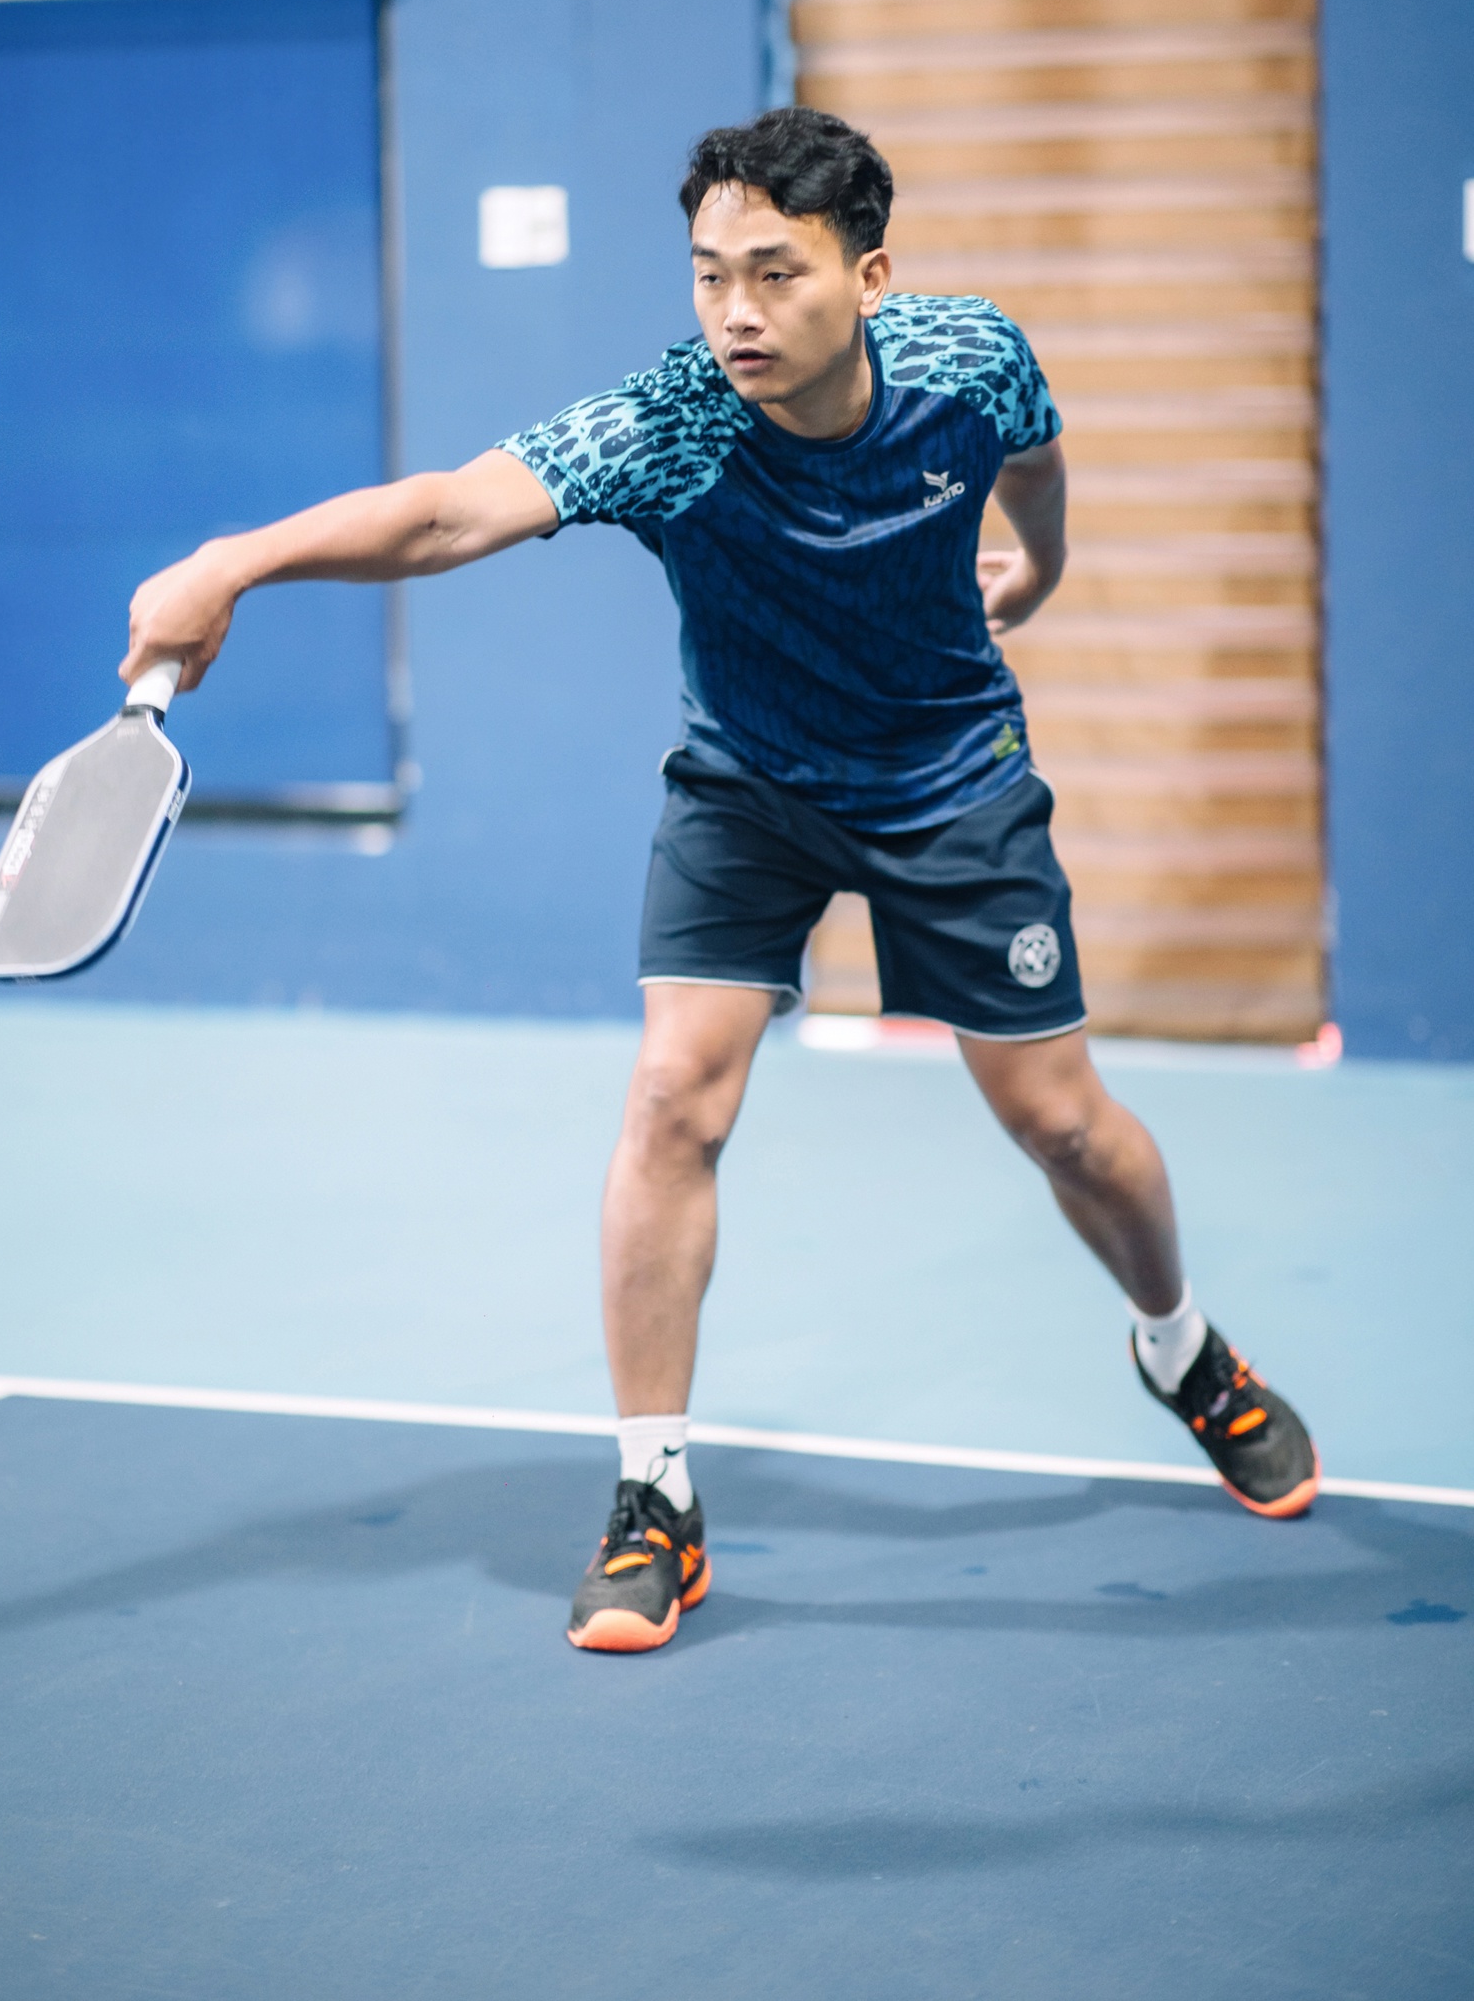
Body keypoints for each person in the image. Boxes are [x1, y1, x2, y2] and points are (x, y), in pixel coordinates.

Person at [123, 107, 1319, 1654]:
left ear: (868, 276)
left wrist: (1042, 563)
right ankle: (655, 1496)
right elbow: (447, 511)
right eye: (709, 275)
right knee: (673, 1099)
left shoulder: (970, 359)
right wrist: (232, 559)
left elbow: (1032, 458)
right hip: (749, 787)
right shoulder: (674, 424)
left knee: (1066, 1127)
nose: (738, 312)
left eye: (776, 273)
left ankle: (1181, 1348)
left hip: (948, 780)